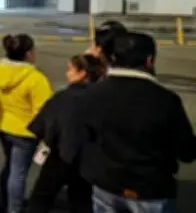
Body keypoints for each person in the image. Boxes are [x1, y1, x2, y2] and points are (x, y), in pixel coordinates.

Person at [79, 32, 196, 213]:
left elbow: (85, 136)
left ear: (112, 58)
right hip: (149, 188)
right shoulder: (165, 100)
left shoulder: (92, 94)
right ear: (149, 61)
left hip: (106, 183)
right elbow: (186, 152)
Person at [27, 53, 106, 213]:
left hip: (60, 154)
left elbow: (42, 125)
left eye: (70, 70)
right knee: (82, 200)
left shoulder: (64, 97)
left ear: (82, 73)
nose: (67, 74)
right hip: (90, 157)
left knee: (41, 197)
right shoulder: (103, 97)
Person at [0, 34, 54, 213]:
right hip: (26, 131)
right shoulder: (35, 78)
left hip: (3, 125)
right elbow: (44, 109)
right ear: (28, 54)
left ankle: (3, 203)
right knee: (18, 172)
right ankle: (14, 208)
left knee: (9, 166)